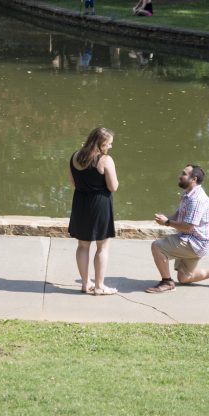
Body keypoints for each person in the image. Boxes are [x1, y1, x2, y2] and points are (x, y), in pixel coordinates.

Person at [146, 164, 209, 293]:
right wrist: (165, 219)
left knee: (157, 247)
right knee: (184, 278)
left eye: (184, 174)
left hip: (196, 242)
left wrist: (168, 222)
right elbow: (179, 213)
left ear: (194, 179)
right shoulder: (188, 193)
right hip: (194, 240)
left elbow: (188, 227)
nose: (180, 176)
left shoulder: (196, 200)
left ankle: (167, 282)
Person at [68, 127, 119, 296]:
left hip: (80, 203)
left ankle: (85, 283)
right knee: (102, 246)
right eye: (109, 144)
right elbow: (113, 186)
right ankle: (99, 286)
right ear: (100, 144)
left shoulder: (75, 157)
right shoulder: (105, 160)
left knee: (82, 245)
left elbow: (72, 182)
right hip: (99, 204)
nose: (110, 147)